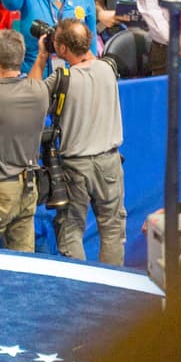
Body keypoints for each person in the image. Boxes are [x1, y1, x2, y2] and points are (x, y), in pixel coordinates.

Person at [29, 19, 127, 264]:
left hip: (75, 167)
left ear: (62, 49)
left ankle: (78, 285)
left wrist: (42, 57)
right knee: (112, 229)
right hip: (110, 162)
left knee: (71, 229)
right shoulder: (108, 68)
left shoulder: (62, 78)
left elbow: (30, 99)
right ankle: (112, 285)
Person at [0, 30, 50, 252]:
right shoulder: (40, 92)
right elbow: (33, 79)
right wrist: (41, 56)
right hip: (28, 188)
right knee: (23, 260)